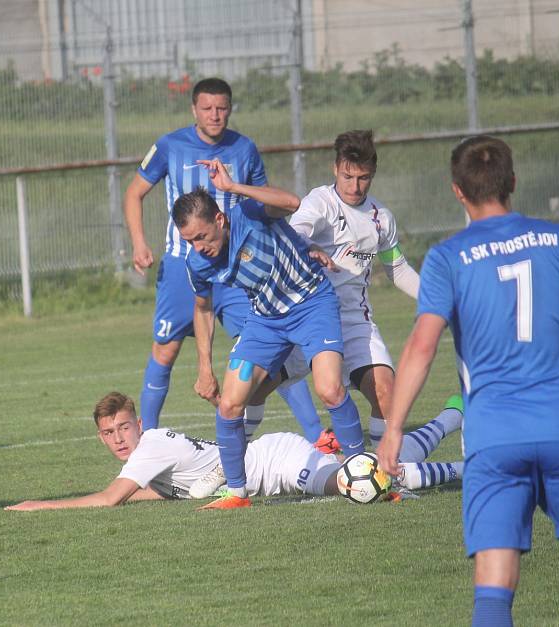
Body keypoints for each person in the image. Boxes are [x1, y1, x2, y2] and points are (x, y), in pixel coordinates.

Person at [376, 136, 559, 627]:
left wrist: (394, 429)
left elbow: (421, 345)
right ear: (513, 183)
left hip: (495, 440)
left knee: (494, 594)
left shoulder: (447, 257)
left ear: (457, 192)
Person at [123, 76, 321, 439]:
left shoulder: (244, 149)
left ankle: (318, 435)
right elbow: (134, 193)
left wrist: (305, 247)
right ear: (194, 110)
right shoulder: (170, 146)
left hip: (237, 269)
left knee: (270, 346)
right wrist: (139, 242)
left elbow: (266, 203)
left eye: (222, 108)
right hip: (183, 267)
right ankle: (147, 439)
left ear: (230, 109)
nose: (215, 115)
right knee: (165, 351)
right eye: (207, 108)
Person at [173, 168, 369, 511]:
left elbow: (292, 202)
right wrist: (204, 366)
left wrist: (233, 187)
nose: (199, 247)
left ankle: (363, 471)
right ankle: (236, 492)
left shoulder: (248, 213)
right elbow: (203, 310)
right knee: (230, 403)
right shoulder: (197, 264)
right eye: (190, 241)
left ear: (220, 219)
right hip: (266, 320)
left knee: (330, 389)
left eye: (202, 236)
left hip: (311, 303)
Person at [5, 392, 464, 511]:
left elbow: (110, 499)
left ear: (139, 425)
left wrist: (39, 504)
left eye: (124, 427)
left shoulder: (148, 447)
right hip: (272, 456)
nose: (118, 438)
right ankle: (452, 416)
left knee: (364, 483)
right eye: (109, 433)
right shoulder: (148, 456)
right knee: (371, 472)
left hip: (276, 463)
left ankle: (469, 466)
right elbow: (153, 494)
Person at [288, 130, 421, 449]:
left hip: (354, 322)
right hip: (306, 318)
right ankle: (230, 475)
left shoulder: (381, 219)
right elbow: (295, 232)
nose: (355, 186)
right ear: (335, 169)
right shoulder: (321, 202)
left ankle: (382, 476)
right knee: (248, 391)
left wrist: (438, 299)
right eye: (348, 176)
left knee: (387, 393)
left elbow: (398, 268)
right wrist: (310, 246)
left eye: (363, 178)